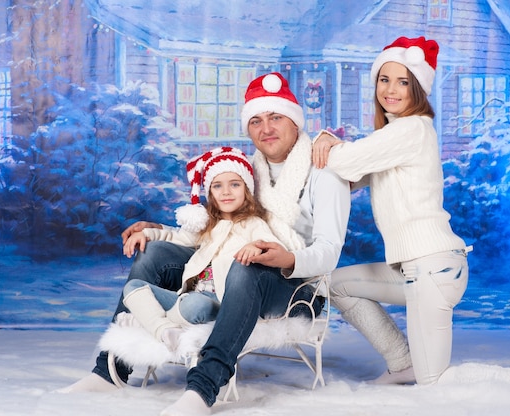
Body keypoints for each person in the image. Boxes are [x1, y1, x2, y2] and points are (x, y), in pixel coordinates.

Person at [61, 72, 351, 416]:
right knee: (153, 253)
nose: (266, 128)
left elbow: (330, 252)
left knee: (247, 268)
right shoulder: (250, 171)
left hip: (296, 284)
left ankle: (202, 387)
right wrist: (156, 230)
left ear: (295, 119)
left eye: (276, 117)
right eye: (256, 120)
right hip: (236, 260)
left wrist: (287, 258)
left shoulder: (324, 169)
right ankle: (111, 369)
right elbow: (221, 226)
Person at [312, 36, 470, 386]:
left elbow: (343, 160)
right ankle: (402, 362)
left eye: (403, 82)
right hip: (413, 268)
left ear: (418, 89)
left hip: (433, 267)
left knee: (436, 384)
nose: (391, 90)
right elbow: (349, 176)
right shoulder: (395, 136)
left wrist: (326, 139)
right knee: (337, 285)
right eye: (385, 79)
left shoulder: (412, 129)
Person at [118, 146, 286, 352]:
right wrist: (146, 234)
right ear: (210, 192)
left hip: (218, 302)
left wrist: (255, 246)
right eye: (217, 186)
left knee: (196, 305)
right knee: (134, 287)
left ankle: (147, 322)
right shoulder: (208, 224)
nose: (226, 192)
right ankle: (164, 329)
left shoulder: (253, 224)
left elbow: (272, 247)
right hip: (187, 297)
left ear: (247, 190)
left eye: (234, 184)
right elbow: (176, 236)